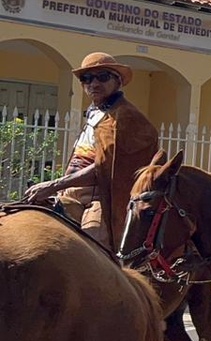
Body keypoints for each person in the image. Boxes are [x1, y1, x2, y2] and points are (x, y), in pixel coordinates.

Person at [23, 52, 158, 252]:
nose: (94, 83)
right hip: (71, 194)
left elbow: (107, 169)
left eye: (102, 77)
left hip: (102, 200)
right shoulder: (97, 112)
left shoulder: (128, 118)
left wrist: (53, 185)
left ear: (118, 81)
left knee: (93, 251)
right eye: (86, 78)